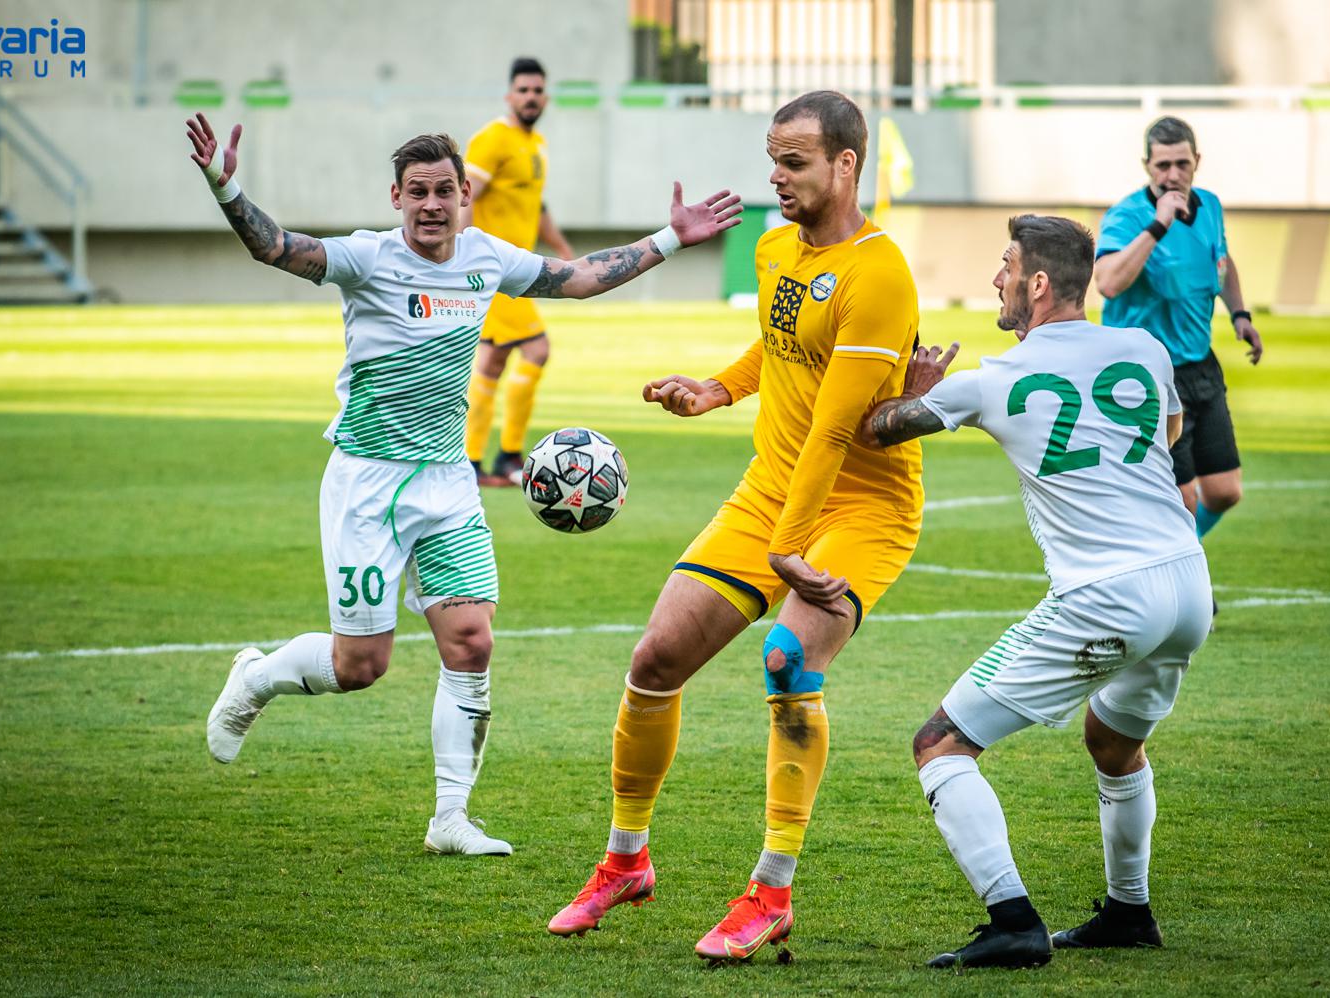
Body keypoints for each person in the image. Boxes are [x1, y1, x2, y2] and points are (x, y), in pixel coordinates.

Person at [188, 112, 739, 855]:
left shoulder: (485, 257)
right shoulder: (367, 258)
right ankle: (257, 678)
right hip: (369, 483)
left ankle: (450, 819)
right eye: (417, 192)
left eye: (443, 191)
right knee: (361, 666)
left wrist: (670, 237)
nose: (431, 205)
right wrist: (225, 186)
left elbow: (578, 278)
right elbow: (276, 247)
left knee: (472, 643)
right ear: (396, 197)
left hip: (449, 484)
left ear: (462, 196)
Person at [546, 91, 924, 962]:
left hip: (861, 508)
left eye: (794, 162)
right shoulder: (772, 247)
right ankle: (625, 863)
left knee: (788, 661)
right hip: (771, 492)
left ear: (846, 165)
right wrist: (718, 388)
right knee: (655, 659)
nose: (776, 177)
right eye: (772, 159)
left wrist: (790, 548)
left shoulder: (879, 274)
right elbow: (782, 346)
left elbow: (836, 427)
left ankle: (771, 892)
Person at [860, 215, 1211, 969]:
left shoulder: (992, 380)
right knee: (1114, 742)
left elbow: (877, 429)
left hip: (1106, 596)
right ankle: (1128, 913)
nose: (998, 278)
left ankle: (1012, 921)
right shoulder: (1144, 349)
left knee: (940, 745)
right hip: (1188, 585)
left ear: (1039, 283)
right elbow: (1171, 434)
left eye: (1007, 264)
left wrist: (915, 389)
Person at [1095, 116, 1263, 551]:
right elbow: (1108, 283)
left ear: (1197, 162)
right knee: (1181, 501)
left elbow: (1222, 261)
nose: (1172, 175)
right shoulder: (1127, 216)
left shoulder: (1210, 206)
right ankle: (1179, 574)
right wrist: (1159, 225)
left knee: (1224, 491)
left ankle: (1177, 557)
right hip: (1148, 378)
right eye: (1163, 165)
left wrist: (1239, 313)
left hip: (1199, 365)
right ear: (1147, 166)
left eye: (1181, 164)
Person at [461, 57, 575, 487]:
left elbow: (536, 206)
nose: (531, 97)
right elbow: (465, 196)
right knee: (537, 349)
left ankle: (471, 462)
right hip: (492, 270)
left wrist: (563, 251)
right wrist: (462, 253)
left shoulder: (536, 144)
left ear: (546, 96)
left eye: (538, 90)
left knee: (492, 362)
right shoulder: (492, 139)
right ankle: (508, 455)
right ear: (510, 95)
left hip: (517, 270)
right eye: (524, 90)